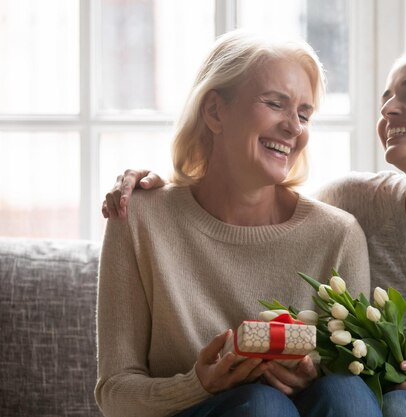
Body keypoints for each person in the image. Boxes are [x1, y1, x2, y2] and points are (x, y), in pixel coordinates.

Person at [102, 45, 406, 417]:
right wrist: (161, 188)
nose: (389, 108)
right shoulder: (353, 205)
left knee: (368, 397)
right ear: (214, 111)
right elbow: (246, 193)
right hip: (372, 407)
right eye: (386, 96)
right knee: (379, 401)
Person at [95, 30, 378, 417]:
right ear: (214, 112)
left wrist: (312, 374)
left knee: (347, 391)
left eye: (304, 114)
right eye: (275, 104)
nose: (294, 128)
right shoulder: (140, 218)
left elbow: (353, 379)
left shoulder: (337, 235)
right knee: (263, 405)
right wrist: (199, 385)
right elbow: (115, 394)